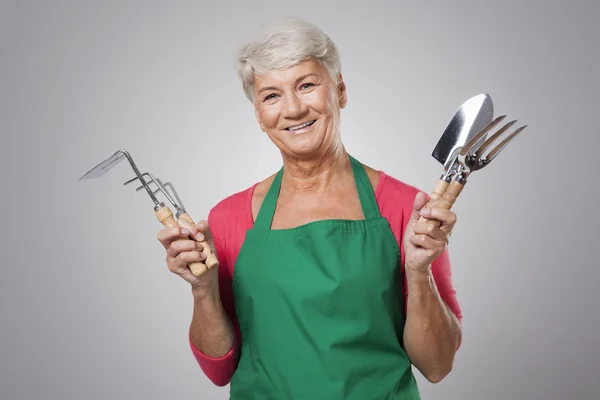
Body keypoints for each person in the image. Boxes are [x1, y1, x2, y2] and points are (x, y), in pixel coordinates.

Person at [157, 17, 463, 400]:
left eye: (306, 85)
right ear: (258, 114)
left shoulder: (406, 208)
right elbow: (219, 370)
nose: (293, 109)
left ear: (340, 90)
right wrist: (203, 291)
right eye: (271, 95)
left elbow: (437, 365)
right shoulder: (228, 219)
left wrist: (420, 274)